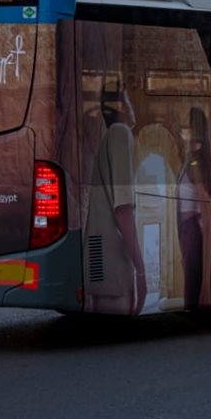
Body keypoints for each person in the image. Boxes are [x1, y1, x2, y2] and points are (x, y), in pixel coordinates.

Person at [85, 81, 147, 314]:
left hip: (100, 260)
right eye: (128, 100)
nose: (133, 107)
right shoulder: (120, 133)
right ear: (120, 105)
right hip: (114, 264)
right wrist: (141, 271)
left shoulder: (108, 137)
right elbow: (123, 211)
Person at [177, 107, 211, 310]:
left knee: (192, 301)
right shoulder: (191, 161)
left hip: (192, 236)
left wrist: (206, 285)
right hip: (188, 236)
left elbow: (207, 220)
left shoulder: (196, 164)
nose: (182, 129)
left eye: (186, 125)